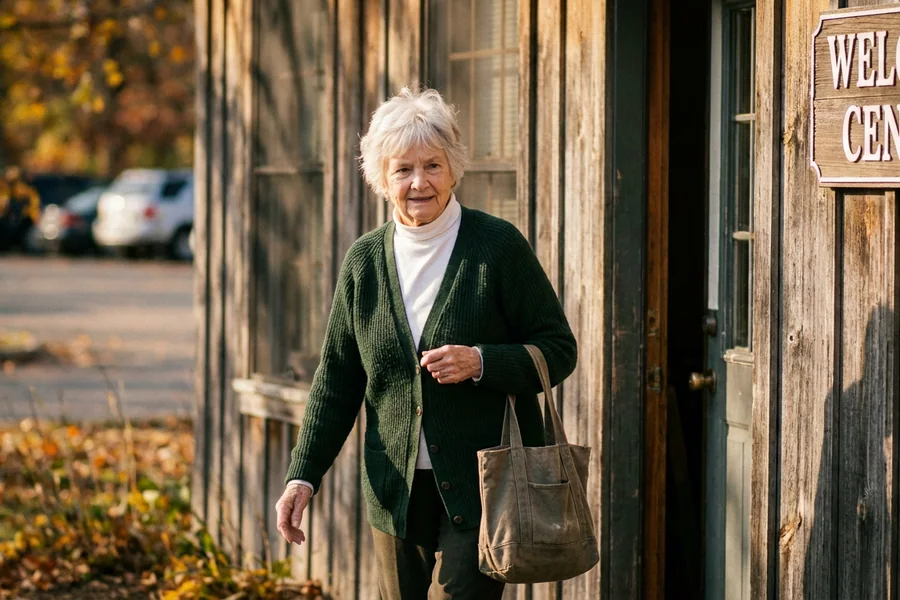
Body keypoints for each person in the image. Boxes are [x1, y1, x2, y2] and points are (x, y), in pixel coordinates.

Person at [274, 87, 578, 600]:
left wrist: (481, 362)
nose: (419, 182)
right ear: (381, 177)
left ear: (453, 168)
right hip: (393, 489)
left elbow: (558, 348)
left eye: (433, 165)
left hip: (486, 484)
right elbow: (337, 381)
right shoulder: (364, 263)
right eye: (403, 169)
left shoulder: (497, 247)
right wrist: (301, 477)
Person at [0, 166, 41, 252]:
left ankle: (20, 245)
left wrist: (33, 215)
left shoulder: (25, 190)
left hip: (23, 217)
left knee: (23, 233)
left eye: (14, 181)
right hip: (9, 217)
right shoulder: (4, 189)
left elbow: (33, 203)